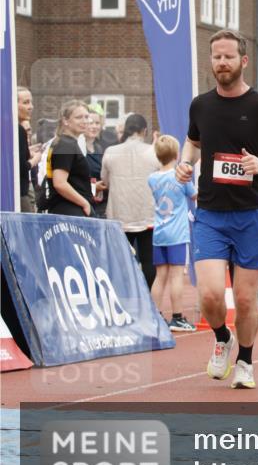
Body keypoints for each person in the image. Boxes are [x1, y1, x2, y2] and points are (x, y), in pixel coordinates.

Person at [176, 29, 258, 390]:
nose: (222, 63)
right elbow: (192, 142)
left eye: (228, 57)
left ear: (243, 61)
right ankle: (221, 337)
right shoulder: (201, 105)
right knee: (210, 295)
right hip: (211, 213)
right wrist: (184, 162)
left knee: (244, 299)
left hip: (251, 213)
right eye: (217, 57)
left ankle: (245, 360)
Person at [101, 113, 159, 288]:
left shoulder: (111, 151)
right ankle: (147, 294)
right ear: (144, 131)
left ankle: (125, 294)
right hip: (147, 213)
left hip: (119, 214)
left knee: (121, 260)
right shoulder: (153, 152)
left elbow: (105, 181)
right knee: (148, 260)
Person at [148, 135, 197, 331]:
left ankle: (155, 316)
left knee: (160, 276)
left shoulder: (152, 178)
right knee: (177, 276)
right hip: (177, 234)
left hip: (159, 232)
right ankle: (177, 317)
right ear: (177, 154)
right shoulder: (180, 177)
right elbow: (194, 195)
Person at [43, 100, 95, 217]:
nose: (84, 121)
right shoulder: (66, 144)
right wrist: (84, 203)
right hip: (69, 210)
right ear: (65, 121)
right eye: (78, 117)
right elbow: (59, 183)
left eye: (86, 117)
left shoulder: (65, 142)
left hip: (70, 208)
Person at [17, 87, 41, 213]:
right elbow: (20, 167)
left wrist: (27, 152)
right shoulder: (18, 130)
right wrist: (35, 159)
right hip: (19, 194)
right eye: (25, 103)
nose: (31, 107)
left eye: (31, 102)